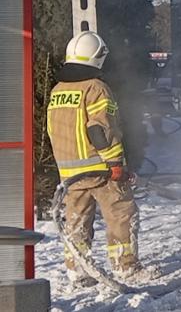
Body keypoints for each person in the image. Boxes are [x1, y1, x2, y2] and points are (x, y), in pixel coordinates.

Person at [47, 32, 143, 281]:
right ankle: (125, 266)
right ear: (97, 57)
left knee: (76, 220)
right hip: (100, 170)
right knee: (122, 213)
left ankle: (77, 269)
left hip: (70, 173)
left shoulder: (58, 90)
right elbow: (100, 130)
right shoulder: (96, 88)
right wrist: (115, 163)